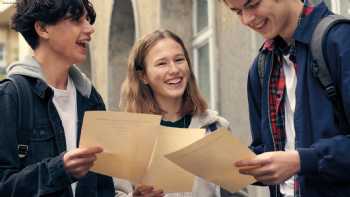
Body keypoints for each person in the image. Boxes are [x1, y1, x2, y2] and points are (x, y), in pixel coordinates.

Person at [220, 0, 350, 196]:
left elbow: (297, 160)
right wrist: (231, 166)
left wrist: (302, 161)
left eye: (252, 4)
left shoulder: (340, 41)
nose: (247, 19)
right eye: (237, 12)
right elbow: (264, 149)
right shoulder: (261, 68)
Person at [0, 0, 116, 196]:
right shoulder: (10, 97)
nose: (90, 29)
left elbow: (103, 188)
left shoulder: (91, 99)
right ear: (43, 28)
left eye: (88, 20)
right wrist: (59, 169)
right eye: (76, 20)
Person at [117, 29, 243, 197]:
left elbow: (237, 193)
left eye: (179, 60)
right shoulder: (127, 138)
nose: (174, 69)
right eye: (162, 63)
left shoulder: (216, 128)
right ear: (143, 76)